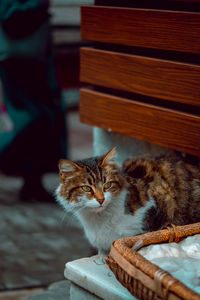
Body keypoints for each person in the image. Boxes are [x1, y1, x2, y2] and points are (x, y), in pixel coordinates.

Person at [0, 0, 67, 202]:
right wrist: (40, 5)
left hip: (34, 58)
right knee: (31, 120)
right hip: (20, 62)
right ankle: (30, 183)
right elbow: (9, 16)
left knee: (43, 122)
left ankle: (32, 184)